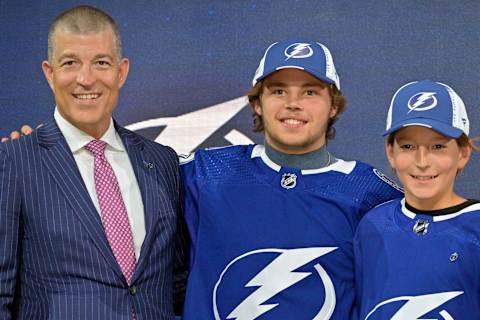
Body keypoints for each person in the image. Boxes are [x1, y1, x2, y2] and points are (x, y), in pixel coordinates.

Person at [180, 39, 403, 319]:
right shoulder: (205, 173)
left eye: (310, 92)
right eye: (279, 91)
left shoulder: (369, 193)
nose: (293, 104)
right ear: (257, 103)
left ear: (333, 106)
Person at [0, 5, 186, 319]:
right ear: (50, 73)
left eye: (101, 63)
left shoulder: (162, 161)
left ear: (121, 71)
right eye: (70, 63)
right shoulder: (14, 161)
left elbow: (178, 282)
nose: (86, 79)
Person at [354, 80, 479, 319]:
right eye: (408, 146)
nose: (422, 161)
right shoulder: (373, 225)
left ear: (463, 153)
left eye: (438, 146)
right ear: (391, 152)